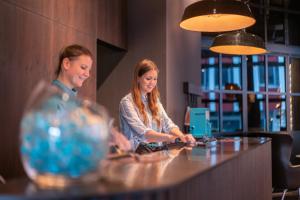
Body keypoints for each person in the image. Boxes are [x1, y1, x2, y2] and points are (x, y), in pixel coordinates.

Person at [53, 44, 131, 151]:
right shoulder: (53, 97)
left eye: (89, 70)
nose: (87, 74)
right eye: (83, 68)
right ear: (66, 63)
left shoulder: (74, 99)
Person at [119, 59, 195, 150]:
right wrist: (169, 138)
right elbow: (144, 133)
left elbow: (168, 124)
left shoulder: (155, 101)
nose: (152, 83)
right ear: (138, 78)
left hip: (155, 154)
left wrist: (182, 136)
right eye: (148, 79)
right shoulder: (127, 103)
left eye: (155, 79)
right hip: (135, 157)